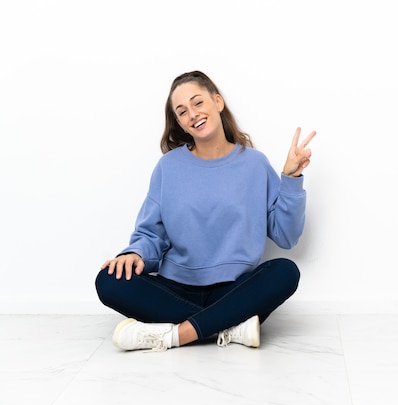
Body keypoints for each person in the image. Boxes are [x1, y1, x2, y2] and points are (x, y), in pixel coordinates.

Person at [95, 70, 316, 352]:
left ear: (218, 102)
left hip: (234, 288)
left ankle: (176, 335)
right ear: (180, 123)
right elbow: (151, 234)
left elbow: (287, 236)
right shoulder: (168, 167)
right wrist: (135, 253)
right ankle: (228, 326)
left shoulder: (255, 165)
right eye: (182, 111)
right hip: (175, 288)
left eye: (198, 103)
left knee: (285, 271)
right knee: (109, 281)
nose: (193, 114)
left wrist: (291, 179)